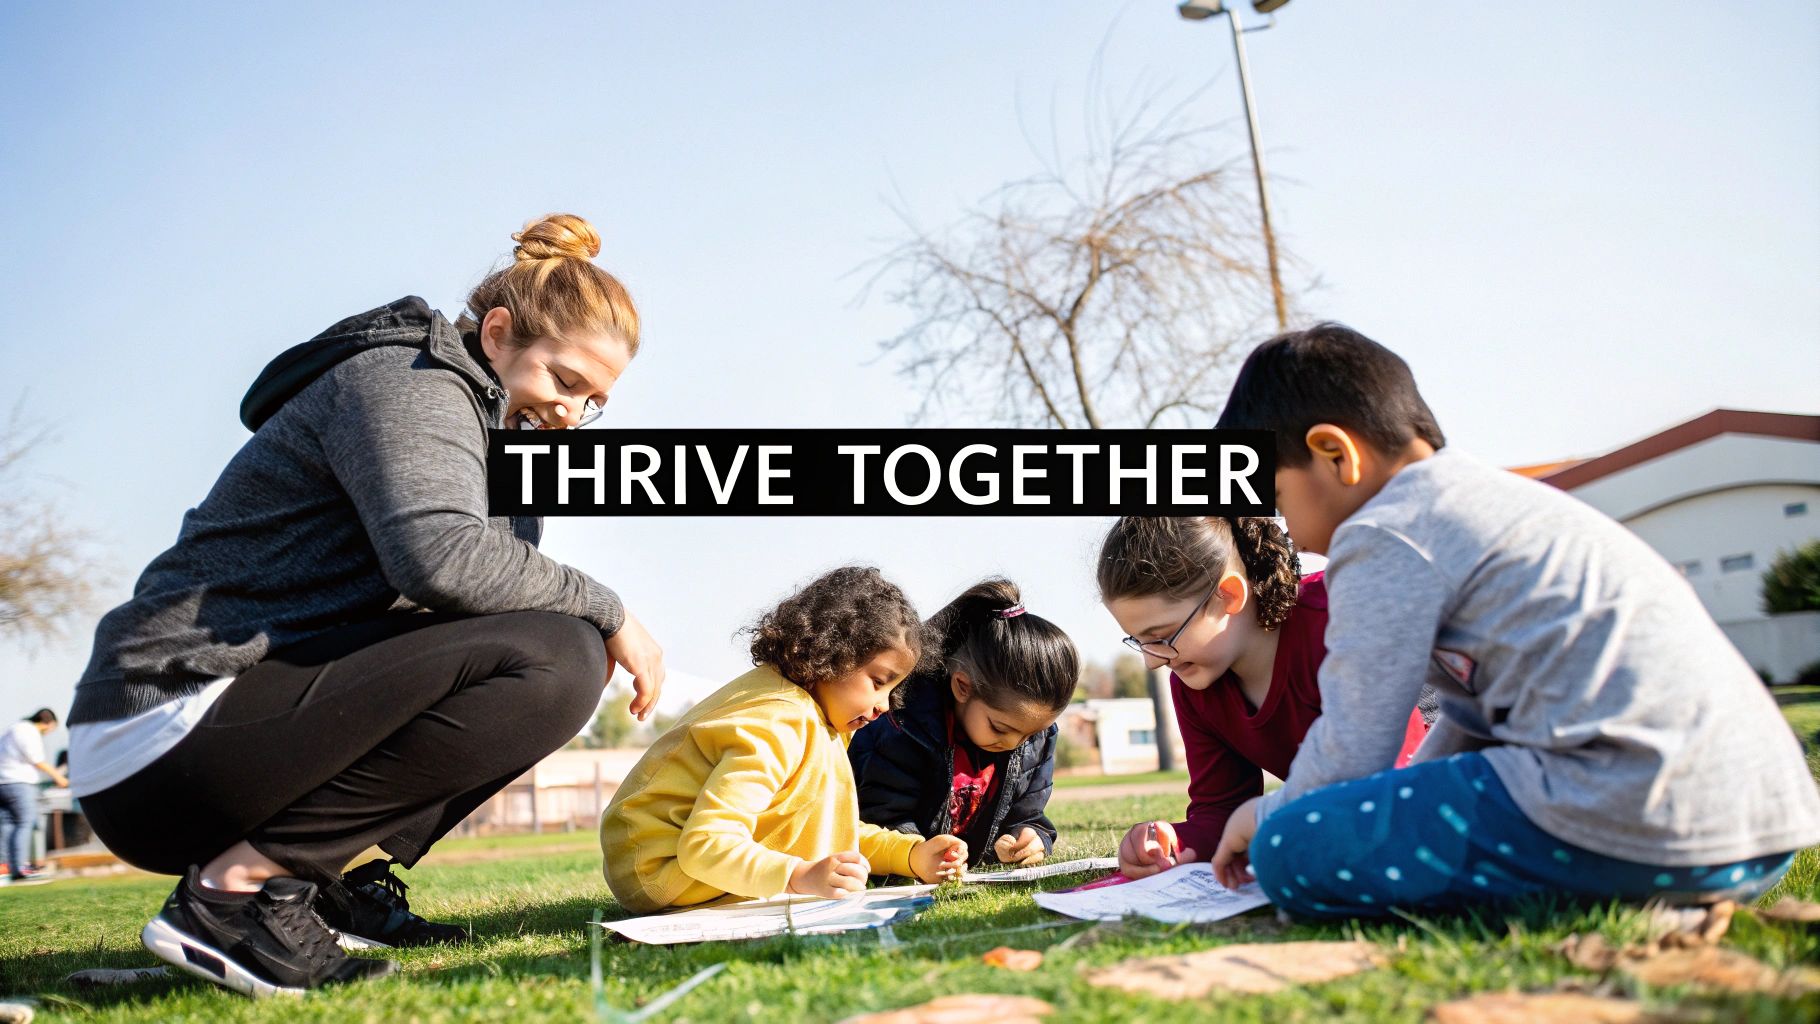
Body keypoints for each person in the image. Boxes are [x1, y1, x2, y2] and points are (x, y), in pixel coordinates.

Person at [65, 213, 667, 995]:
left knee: (545, 644)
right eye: (563, 380)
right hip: (163, 723)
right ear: (495, 333)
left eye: (593, 403)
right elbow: (442, 561)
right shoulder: (409, 381)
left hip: (228, 726)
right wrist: (612, 608)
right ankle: (235, 897)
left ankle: (310, 895)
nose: (570, 415)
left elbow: (474, 597)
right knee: (560, 656)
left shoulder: (493, 440)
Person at [1206, 323, 1820, 917]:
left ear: (1335, 454)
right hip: (1753, 834)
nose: (1290, 534)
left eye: (1280, 500)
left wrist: (1273, 815)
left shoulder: (1382, 533)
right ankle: (1648, 898)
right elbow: (1469, 726)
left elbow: (1353, 745)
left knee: (1293, 850)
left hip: (1635, 811)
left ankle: (1621, 891)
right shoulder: (1488, 506)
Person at [601, 566, 968, 913]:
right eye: (878, 681)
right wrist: (798, 877)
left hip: (674, 861)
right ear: (832, 652)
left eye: (894, 689)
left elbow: (825, 826)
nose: (884, 706)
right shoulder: (780, 721)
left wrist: (910, 855)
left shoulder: (817, 718)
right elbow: (704, 845)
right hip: (658, 868)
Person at [1098, 517, 1430, 880]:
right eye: (1139, 641)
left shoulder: (1336, 626)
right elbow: (1222, 808)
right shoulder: (1194, 681)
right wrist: (1175, 843)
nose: (1150, 661)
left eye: (1160, 636)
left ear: (1229, 595)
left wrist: (1276, 821)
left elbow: (1391, 784)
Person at [850, 578, 1078, 869]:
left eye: (1031, 734)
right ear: (962, 687)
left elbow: (1027, 814)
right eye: (1000, 728)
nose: (1013, 743)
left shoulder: (1036, 738)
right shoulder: (904, 726)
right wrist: (918, 854)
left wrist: (1030, 838)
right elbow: (881, 815)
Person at [1, 708, 68, 883]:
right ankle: (19, 867)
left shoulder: (13, 728)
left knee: (8, 823)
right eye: (51, 728)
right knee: (25, 821)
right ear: (48, 722)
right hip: (19, 783)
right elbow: (37, 760)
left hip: (3, 782)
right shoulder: (28, 731)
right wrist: (59, 777)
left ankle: (5, 867)